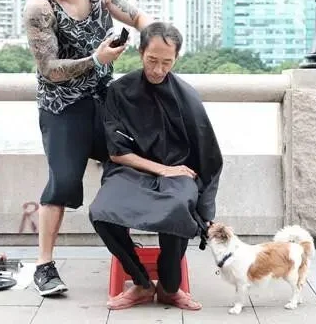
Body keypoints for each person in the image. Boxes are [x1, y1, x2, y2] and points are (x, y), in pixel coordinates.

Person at [22, 0, 153, 296]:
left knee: (127, 163)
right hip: (63, 105)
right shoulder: (40, 8)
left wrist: (157, 35)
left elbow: (136, 16)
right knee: (62, 182)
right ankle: (44, 266)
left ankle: (123, 243)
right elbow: (49, 69)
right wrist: (96, 59)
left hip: (104, 98)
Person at [88, 22, 224, 310]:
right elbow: (117, 152)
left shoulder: (187, 97)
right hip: (129, 171)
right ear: (141, 53)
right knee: (101, 212)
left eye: (166, 62)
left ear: (176, 59)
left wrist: (207, 211)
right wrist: (162, 169)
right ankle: (140, 283)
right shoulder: (119, 91)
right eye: (152, 60)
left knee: (179, 205)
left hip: (178, 173)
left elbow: (209, 156)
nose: (158, 69)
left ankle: (169, 288)